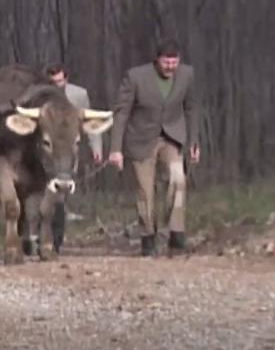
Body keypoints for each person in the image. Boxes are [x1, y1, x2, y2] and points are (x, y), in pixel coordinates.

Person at [108, 38, 200, 256]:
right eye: (166, 62)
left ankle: (174, 232)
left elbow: (192, 108)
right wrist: (115, 148)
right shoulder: (135, 77)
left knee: (178, 179)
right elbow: (121, 113)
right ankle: (147, 236)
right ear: (157, 60)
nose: (170, 67)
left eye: (174, 62)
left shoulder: (187, 75)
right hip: (141, 139)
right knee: (145, 191)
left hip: (173, 136)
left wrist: (193, 141)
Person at [45, 63, 104, 253]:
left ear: (66, 79)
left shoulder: (79, 95)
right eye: (53, 82)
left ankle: (56, 239)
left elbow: (89, 121)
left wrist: (96, 147)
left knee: (60, 197)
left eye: (59, 81)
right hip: (47, 153)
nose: (57, 85)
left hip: (68, 154)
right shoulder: (41, 96)